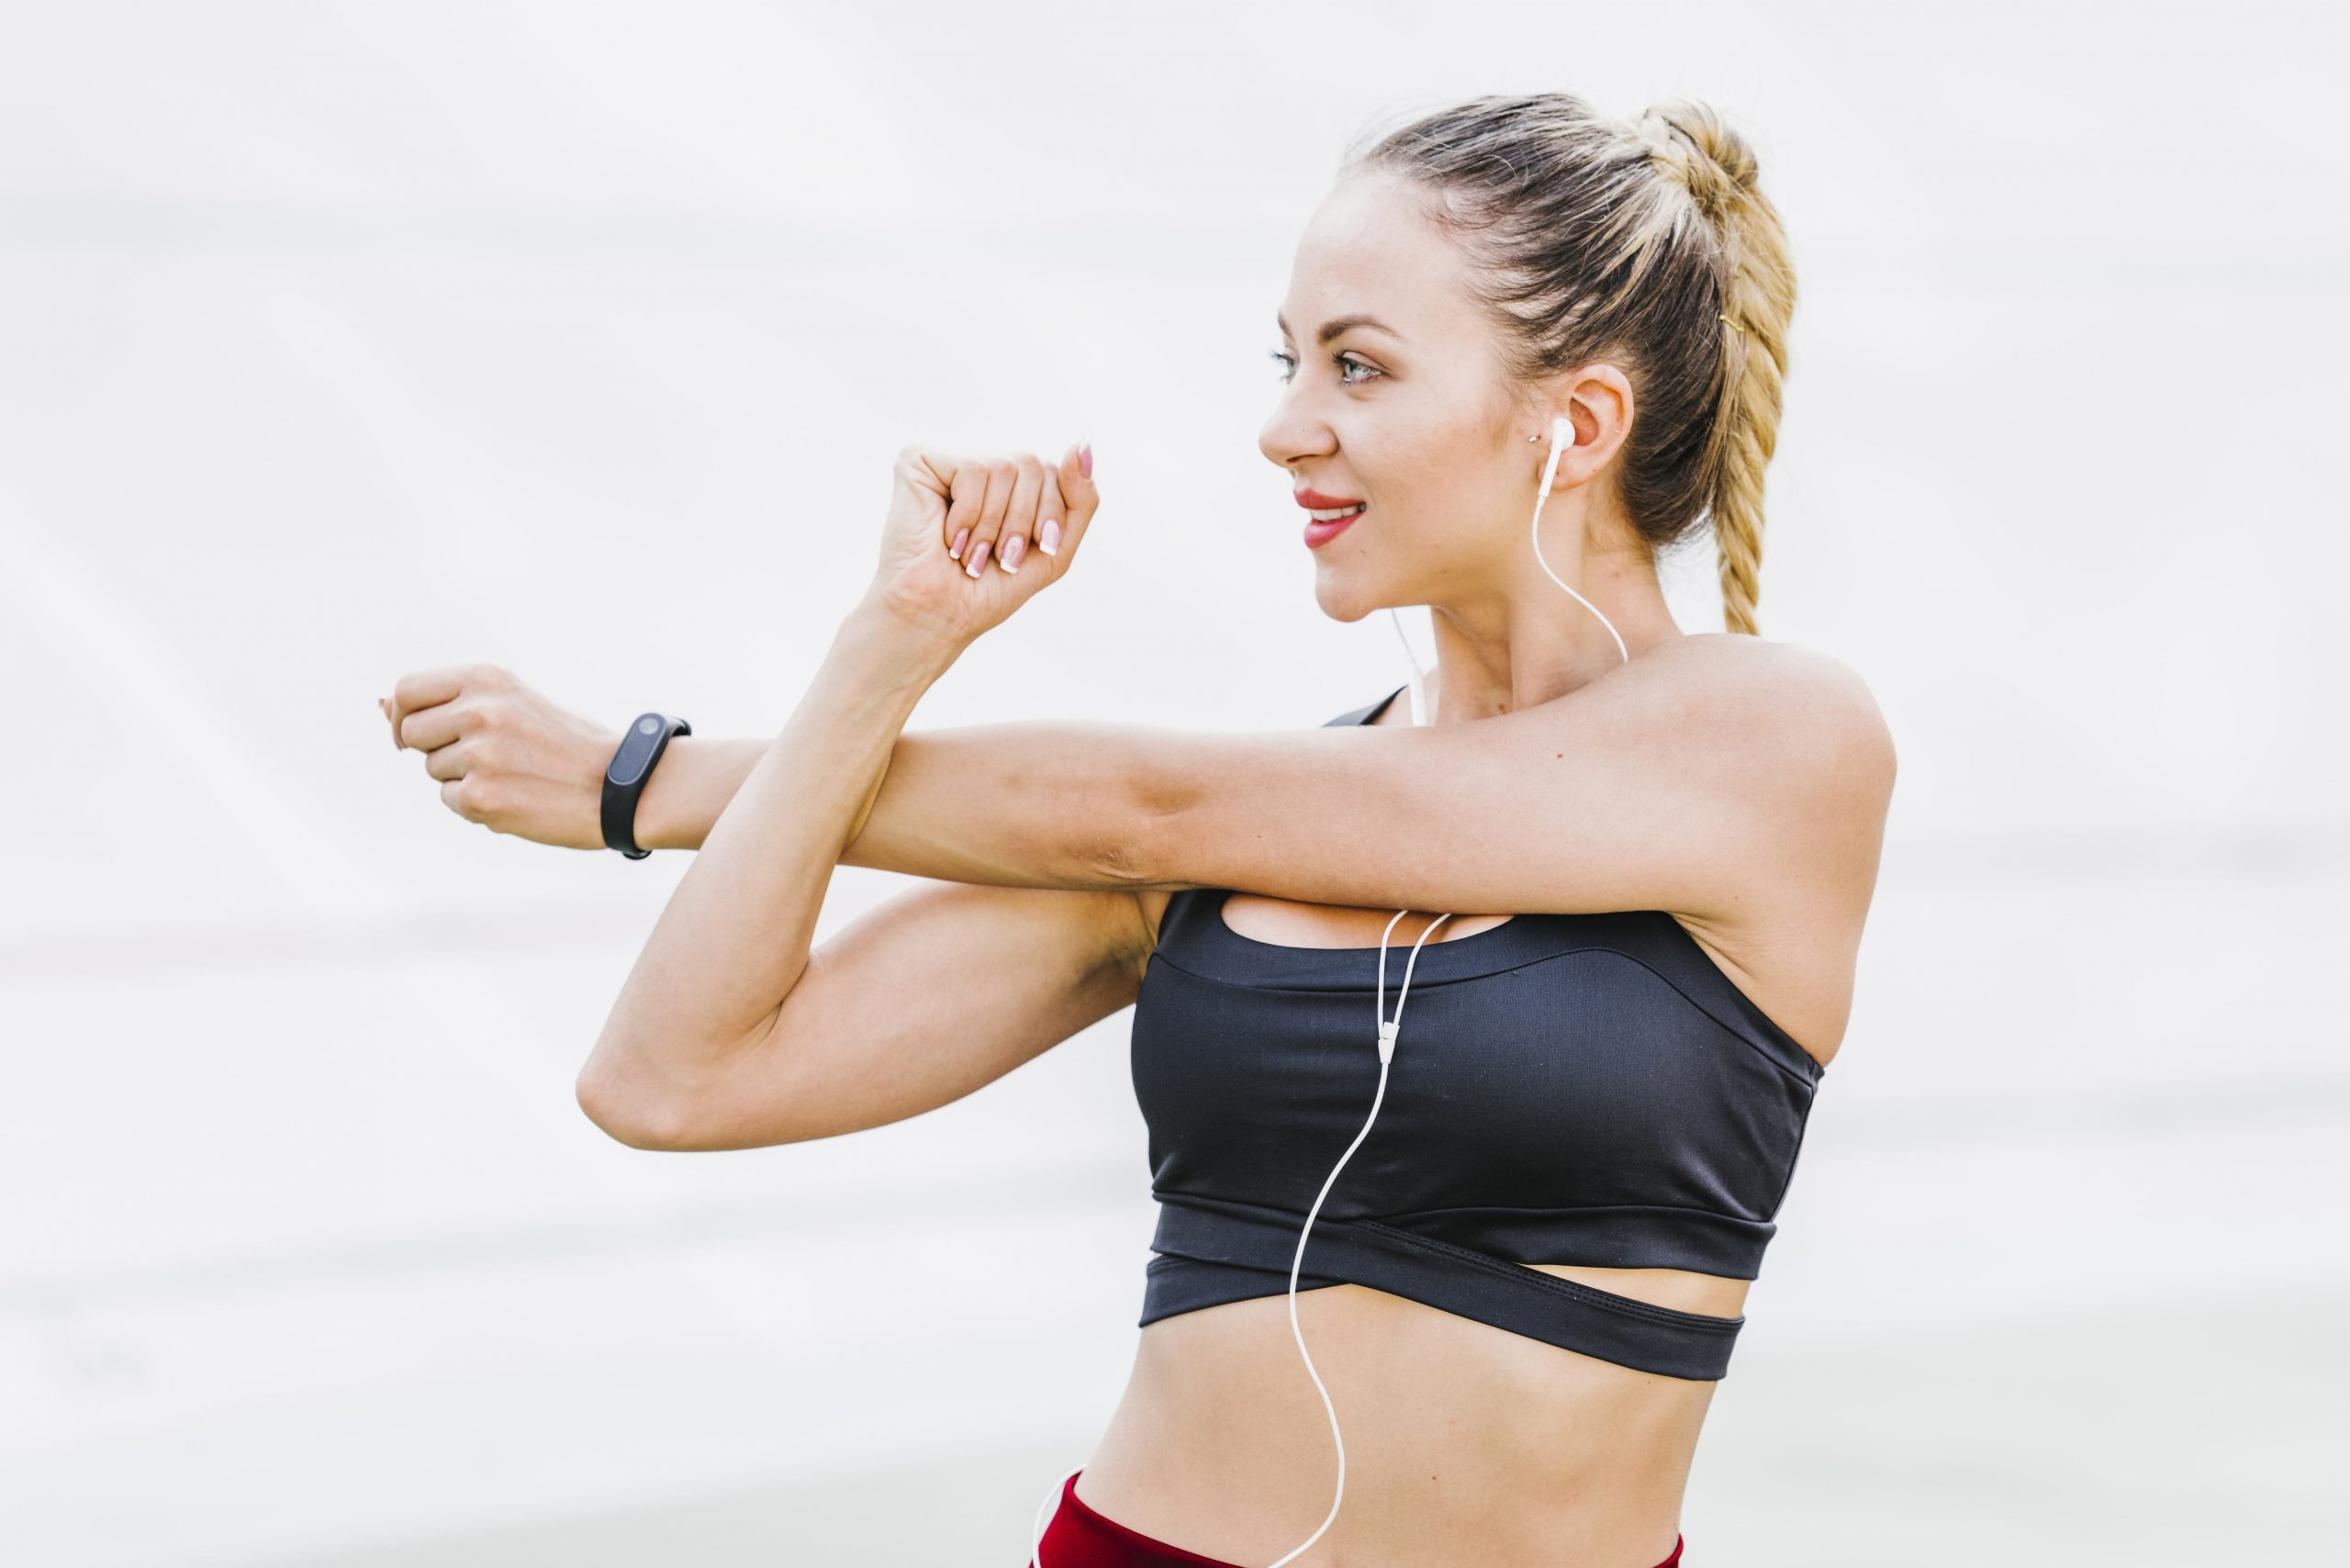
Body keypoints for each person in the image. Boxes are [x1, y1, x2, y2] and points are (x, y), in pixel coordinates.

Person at [381, 90, 1893, 1568]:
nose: (1284, 426)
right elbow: (672, 1079)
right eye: (1291, 361)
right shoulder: (1222, 850)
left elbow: (1139, 807)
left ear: (1577, 422)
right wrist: (889, 644)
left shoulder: (1781, 746)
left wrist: (637, 782)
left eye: (1359, 369)